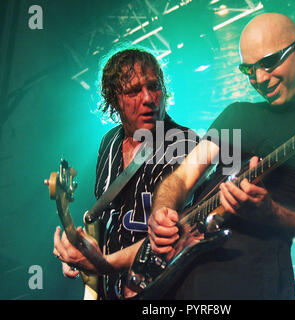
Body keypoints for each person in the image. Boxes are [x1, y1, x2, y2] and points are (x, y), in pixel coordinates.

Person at [148, 13, 295, 299]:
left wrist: (272, 212)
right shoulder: (238, 113)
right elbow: (183, 177)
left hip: (254, 279)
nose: (259, 79)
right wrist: (162, 210)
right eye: (249, 69)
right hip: (181, 279)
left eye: (269, 62)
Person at [52, 47, 198, 299]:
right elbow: (106, 218)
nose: (148, 99)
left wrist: (103, 263)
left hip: (165, 290)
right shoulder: (108, 143)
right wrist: (82, 252)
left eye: (154, 86)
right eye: (133, 91)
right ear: (113, 99)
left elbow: (176, 234)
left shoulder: (184, 143)